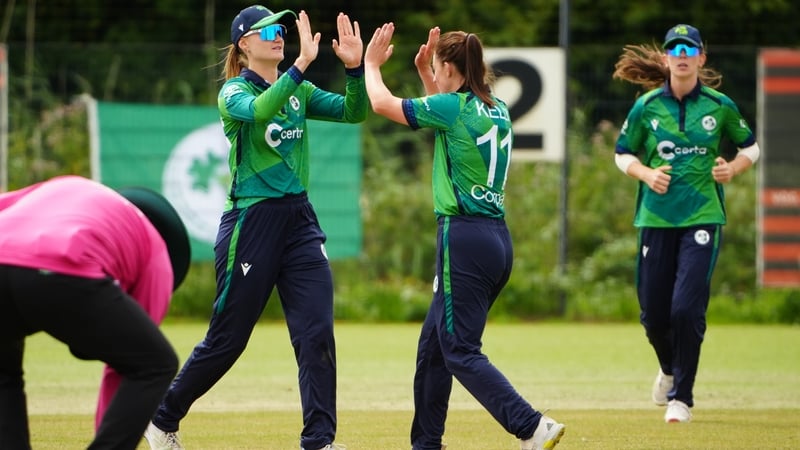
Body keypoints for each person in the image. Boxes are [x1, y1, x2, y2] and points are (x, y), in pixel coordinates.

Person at [144, 5, 367, 450]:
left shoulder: (298, 90)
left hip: (299, 221)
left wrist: (355, 69)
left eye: (280, 29)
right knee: (228, 339)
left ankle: (319, 440)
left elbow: (353, 111)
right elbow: (262, 110)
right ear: (244, 44)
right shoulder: (233, 91)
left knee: (316, 334)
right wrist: (301, 65)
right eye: (266, 32)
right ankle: (162, 417)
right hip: (252, 221)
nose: (277, 35)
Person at [364, 23, 566, 450]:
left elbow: (381, 103)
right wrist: (426, 72)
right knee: (434, 350)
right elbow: (443, 116)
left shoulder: (452, 108)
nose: (435, 74)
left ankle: (531, 426)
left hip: (463, 239)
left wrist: (371, 64)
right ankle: (426, 444)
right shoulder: (497, 108)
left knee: (459, 349)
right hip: (496, 241)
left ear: (451, 69)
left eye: (438, 68)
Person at [612, 24, 760, 423]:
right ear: (665, 58)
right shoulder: (646, 107)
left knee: (686, 309)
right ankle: (668, 369)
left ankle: (682, 398)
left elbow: (751, 147)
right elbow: (622, 154)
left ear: (700, 58)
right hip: (655, 218)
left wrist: (733, 168)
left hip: (702, 217)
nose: (681, 55)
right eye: (674, 49)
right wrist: (646, 174)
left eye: (688, 49)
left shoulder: (719, 105)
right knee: (653, 316)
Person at [0, 175, 191, 450]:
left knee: (5, 375)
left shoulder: (70, 188)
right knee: (156, 364)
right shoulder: (156, 251)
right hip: (63, 264)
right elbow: (127, 365)